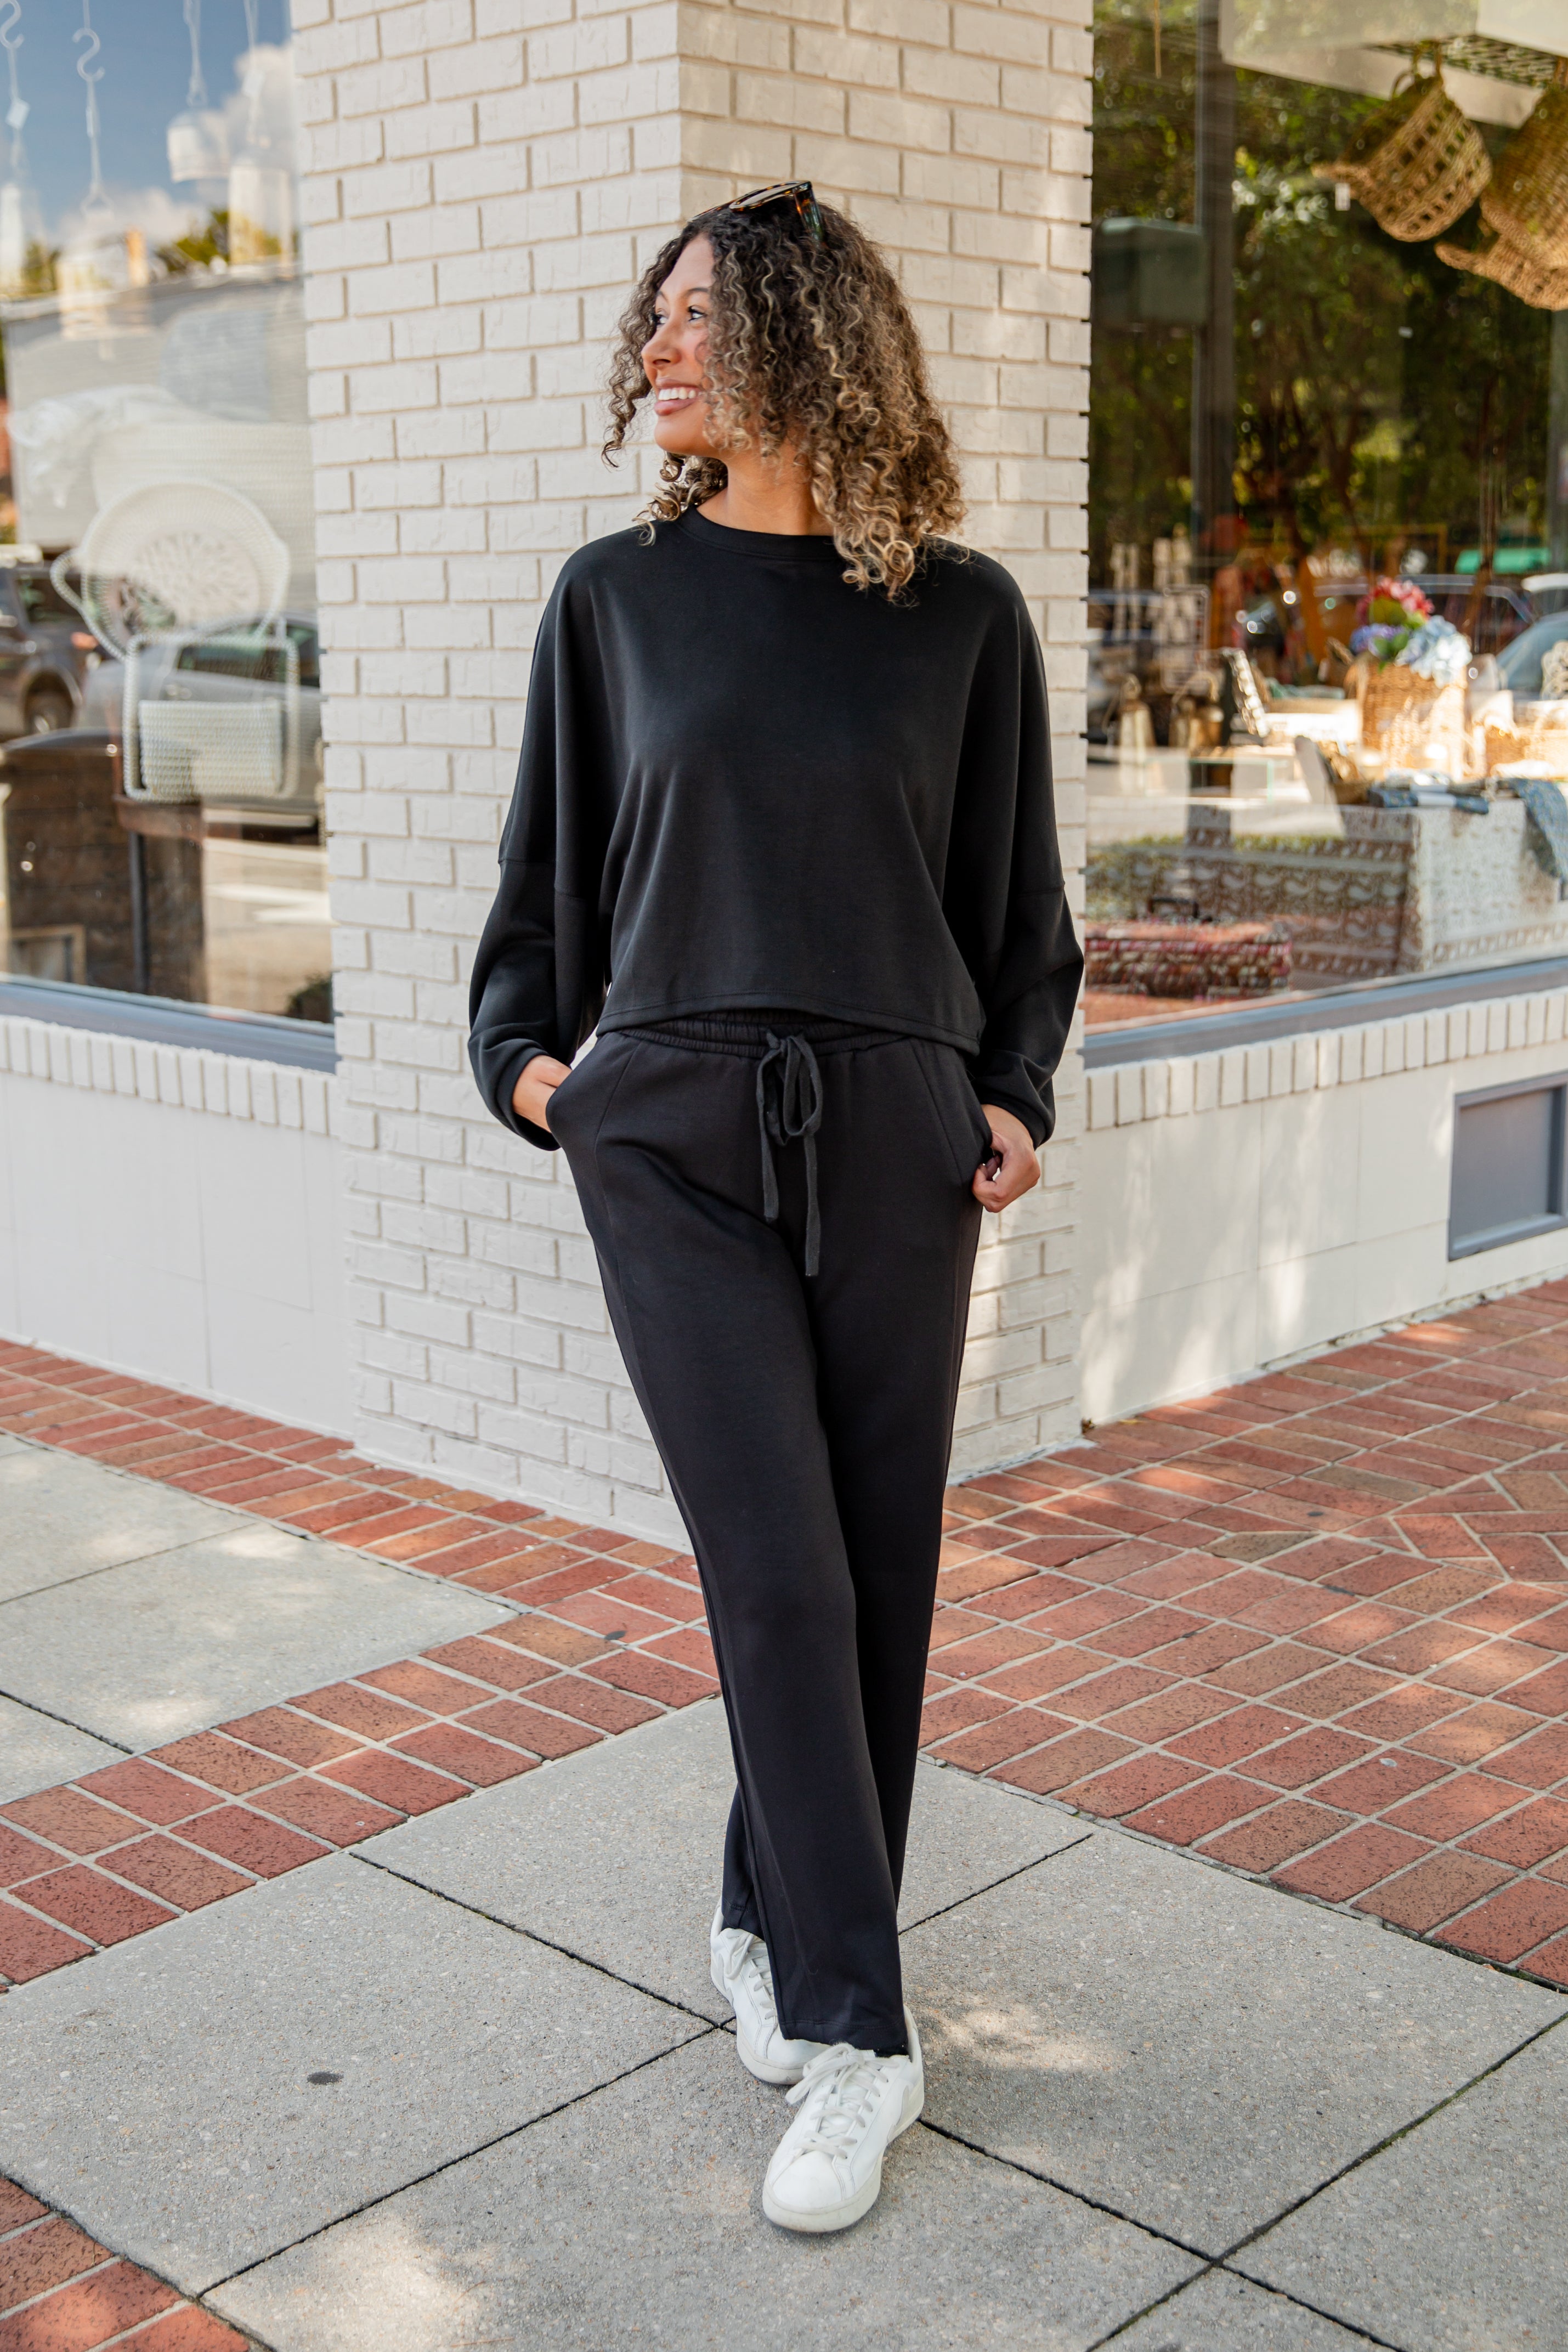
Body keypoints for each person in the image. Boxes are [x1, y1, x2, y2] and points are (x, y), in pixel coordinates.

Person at [468, 182, 1082, 2234]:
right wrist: (540, 1072)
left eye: (693, 318)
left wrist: (1010, 1091)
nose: (653, 347)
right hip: (669, 1132)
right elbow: (544, 886)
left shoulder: (965, 616)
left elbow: (1015, 911)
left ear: (809, 344)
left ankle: (767, 1903)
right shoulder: (611, 599)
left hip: (899, 1133)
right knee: (777, 1573)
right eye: (652, 318)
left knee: (872, 1574)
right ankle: (858, 2034)